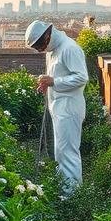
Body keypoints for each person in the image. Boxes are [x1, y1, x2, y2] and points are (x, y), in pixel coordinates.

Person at [24, 20, 88, 191]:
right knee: (61, 153)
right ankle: (64, 189)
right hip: (59, 107)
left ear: (47, 34)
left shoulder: (70, 48)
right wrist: (47, 83)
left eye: (39, 46)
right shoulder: (52, 50)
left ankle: (71, 196)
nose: (39, 50)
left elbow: (82, 77)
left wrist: (54, 81)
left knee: (68, 154)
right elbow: (58, 77)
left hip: (69, 108)